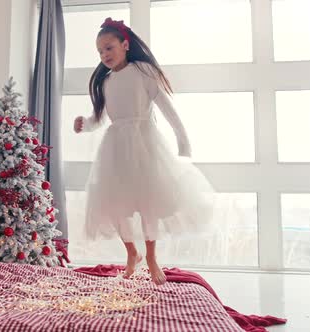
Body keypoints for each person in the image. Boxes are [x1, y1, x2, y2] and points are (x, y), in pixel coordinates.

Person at [74, 18, 215, 285]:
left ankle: (151, 257)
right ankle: (132, 253)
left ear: (125, 44)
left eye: (109, 47)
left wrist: (182, 141)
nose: (104, 55)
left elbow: (166, 107)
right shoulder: (105, 82)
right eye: (100, 51)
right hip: (115, 147)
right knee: (113, 203)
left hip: (144, 143)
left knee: (148, 202)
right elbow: (99, 118)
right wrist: (85, 124)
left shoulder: (143, 71)